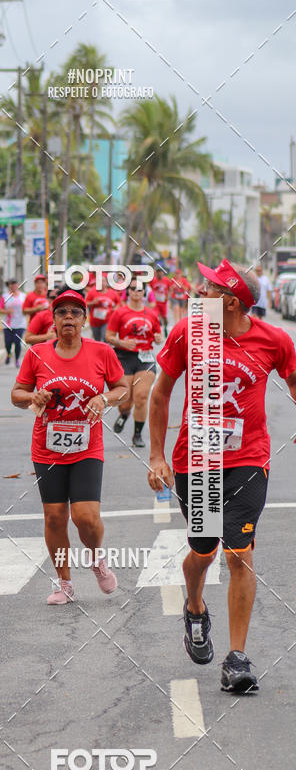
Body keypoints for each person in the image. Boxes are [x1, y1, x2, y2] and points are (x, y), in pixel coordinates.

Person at [148, 258, 296, 693]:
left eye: (209, 288)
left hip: (249, 458)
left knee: (238, 554)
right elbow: (160, 394)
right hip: (198, 461)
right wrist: (156, 455)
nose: (199, 293)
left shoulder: (274, 339)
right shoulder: (188, 332)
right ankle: (195, 607)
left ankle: (236, 657)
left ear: (230, 302)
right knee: (205, 551)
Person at [12, 289, 129, 604]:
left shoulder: (102, 352)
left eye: (75, 313)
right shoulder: (37, 354)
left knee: (85, 517)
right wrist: (32, 397)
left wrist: (102, 397)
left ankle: (96, 560)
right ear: (53, 320)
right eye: (62, 312)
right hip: (47, 447)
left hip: (86, 446)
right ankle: (64, 582)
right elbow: (17, 394)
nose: (68, 318)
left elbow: (122, 387)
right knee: (54, 516)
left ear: (84, 320)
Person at [106, 279, 164, 448]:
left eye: (140, 289)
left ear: (144, 292)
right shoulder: (120, 313)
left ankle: (137, 434)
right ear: (128, 292)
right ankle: (124, 415)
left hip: (144, 359)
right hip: (124, 358)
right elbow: (109, 336)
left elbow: (157, 334)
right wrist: (122, 343)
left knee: (141, 397)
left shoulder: (151, 314)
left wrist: (158, 338)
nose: (136, 292)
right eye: (133, 289)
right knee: (125, 401)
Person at [0, 278, 26, 367]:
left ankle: (17, 359)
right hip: (8, 324)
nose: (13, 285)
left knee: (17, 342)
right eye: (11, 284)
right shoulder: (5, 296)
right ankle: (8, 354)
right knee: (8, 342)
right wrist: (7, 311)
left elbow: (27, 307)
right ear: (9, 286)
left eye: (14, 283)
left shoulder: (23, 296)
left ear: (17, 285)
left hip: (20, 324)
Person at [85, 273, 120, 342]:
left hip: (107, 320)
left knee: (105, 337)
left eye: (103, 281)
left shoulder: (112, 293)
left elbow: (118, 302)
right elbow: (85, 303)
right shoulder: (92, 292)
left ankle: (106, 351)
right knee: (97, 340)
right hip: (94, 322)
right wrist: (93, 302)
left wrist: (116, 308)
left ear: (106, 283)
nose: (101, 283)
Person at [150, 266, 172, 335]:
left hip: (163, 302)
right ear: (156, 273)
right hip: (155, 303)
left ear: (163, 273)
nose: (159, 274)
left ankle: (165, 327)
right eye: (158, 273)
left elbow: (170, 290)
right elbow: (149, 289)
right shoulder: (152, 280)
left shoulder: (167, 280)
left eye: (161, 273)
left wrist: (168, 297)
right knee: (155, 316)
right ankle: (158, 330)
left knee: (164, 317)